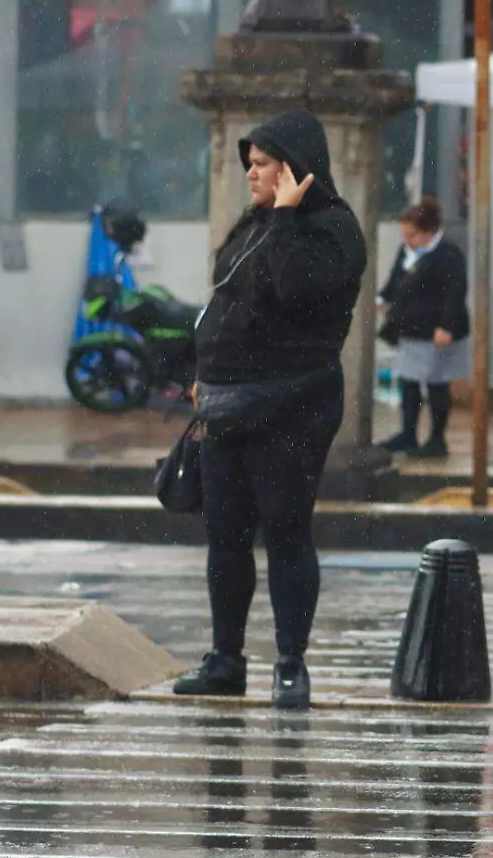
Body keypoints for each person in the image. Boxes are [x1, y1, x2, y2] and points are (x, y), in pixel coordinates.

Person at [171, 110, 368, 710]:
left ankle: (290, 663)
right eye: (249, 164)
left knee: (284, 530)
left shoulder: (330, 229)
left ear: (292, 169)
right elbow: (225, 301)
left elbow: (297, 291)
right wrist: (201, 375)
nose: (250, 175)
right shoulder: (253, 224)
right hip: (228, 405)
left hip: (292, 406)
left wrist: (285, 216)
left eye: (261, 165)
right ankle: (225, 657)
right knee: (225, 535)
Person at [375, 197, 470, 458]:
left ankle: (437, 439)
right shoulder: (407, 251)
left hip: (436, 332)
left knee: (436, 383)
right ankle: (408, 434)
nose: (407, 239)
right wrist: (382, 299)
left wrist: (446, 326)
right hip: (412, 330)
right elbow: (395, 280)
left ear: (429, 232)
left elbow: (455, 292)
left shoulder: (448, 255)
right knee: (409, 382)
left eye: (412, 234)